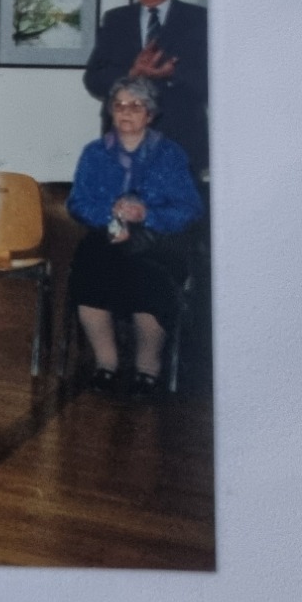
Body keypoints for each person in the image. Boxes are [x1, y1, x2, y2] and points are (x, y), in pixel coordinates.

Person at [67, 76, 205, 396]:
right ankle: (106, 363)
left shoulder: (171, 154)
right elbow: (77, 203)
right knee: (88, 270)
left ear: (150, 114)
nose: (126, 112)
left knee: (148, 280)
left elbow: (190, 209)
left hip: (156, 241)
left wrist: (146, 214)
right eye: (119, 106)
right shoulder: (94, 153)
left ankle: (148, 367)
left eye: (135, 106)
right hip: (108, 236)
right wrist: (109, 213)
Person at [84, 0, 209, 179]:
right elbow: (93, 80)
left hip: (182, 140)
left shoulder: (199, 20)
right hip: (124, 141)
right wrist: (132, 72)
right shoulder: (116, 20)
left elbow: (211, 83)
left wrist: (170, 74)